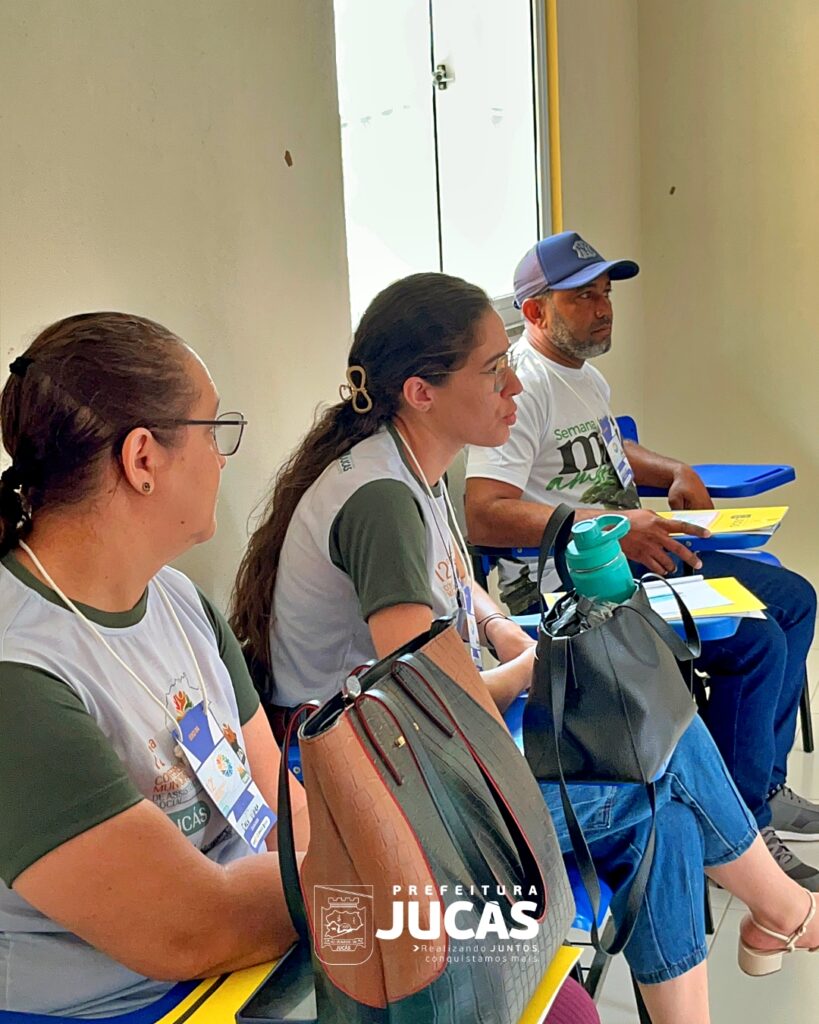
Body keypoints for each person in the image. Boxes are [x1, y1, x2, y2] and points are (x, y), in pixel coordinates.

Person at [232, 273, 819, 1024]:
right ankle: (785, 909)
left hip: (421, 761)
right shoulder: (380, 500)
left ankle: (775, 916)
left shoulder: (404, 465)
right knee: (657, 765)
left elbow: (451, 585)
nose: (513, 384)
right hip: (386, 796)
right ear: (420, 391)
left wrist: (502, 630)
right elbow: (429, 714)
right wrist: (524, 670)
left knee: (660, 779)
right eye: (492, 370)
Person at [465, 231, 819, 889]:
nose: (603, 308)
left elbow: (609, 452)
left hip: (639, 555)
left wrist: (675, 469)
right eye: (582, 298)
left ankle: (764, 786)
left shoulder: (582, 377)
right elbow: (483, 510)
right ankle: (738, 833)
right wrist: (607, 526)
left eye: (605, 294)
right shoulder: (522, 387)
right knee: (755, 640)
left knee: (796, 599)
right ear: (535, 311)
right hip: (579, 585)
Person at [0, 313, 308, 1016]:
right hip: (125, 1004)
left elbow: (282, 808)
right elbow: (191, 929)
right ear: (142, 459)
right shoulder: (18, 675)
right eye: (213, 430)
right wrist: (360, 881)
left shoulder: (178, 600)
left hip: (252, 954)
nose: (222, 459)